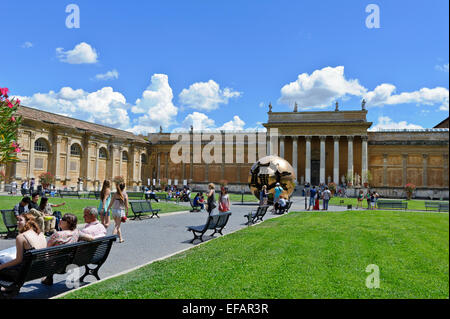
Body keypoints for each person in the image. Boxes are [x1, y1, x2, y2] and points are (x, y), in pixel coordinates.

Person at [0, 214, 47, 293]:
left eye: (20, 220)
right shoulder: (41, 234)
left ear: (28, 222)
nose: (17, 222)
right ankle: (12, 288)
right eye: (17, 220)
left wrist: (1, 266)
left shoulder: (21, 237)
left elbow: (18, 260)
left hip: (24, 271)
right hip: (38, 269)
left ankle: (11, 289)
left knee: (2, 262)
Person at [41, 213, 80, 286]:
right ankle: (48, 278)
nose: (61, 220)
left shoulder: (58, 235)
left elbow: (46, 249)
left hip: (54, 265)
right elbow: (89, 237)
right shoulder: (77, 232)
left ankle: (48, 277)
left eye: (63, 219)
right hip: (67, 263)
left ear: (68, 223)